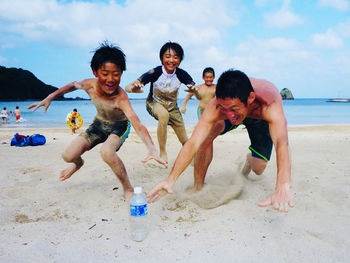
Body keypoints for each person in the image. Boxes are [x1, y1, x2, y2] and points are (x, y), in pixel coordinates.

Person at [28, 42, 167, 200]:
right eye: (105, 73)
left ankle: (128, 189)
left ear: (121, 73)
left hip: (119, 127)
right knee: (68, 156)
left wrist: (151, 149)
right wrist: (50, 97)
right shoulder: (89, 85)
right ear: (95, 71)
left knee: (106, 152)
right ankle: (78, 164)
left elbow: (137, 123)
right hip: (98, 125)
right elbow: (72, 85)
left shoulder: (121, 98)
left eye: (116, 74)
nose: (110, 79)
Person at [148, 69, 294, 213]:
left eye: (233, 108)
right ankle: (198, 186)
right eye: (224, 108)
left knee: (258, 169)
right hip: (237, 107)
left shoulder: (269, 104)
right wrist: (170, 180)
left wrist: (282, 185)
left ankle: (250, 160)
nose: (230, 115)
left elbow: (282, 143)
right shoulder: (218, 106)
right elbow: (193, 142)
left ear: (250, 98)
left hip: (259, 120)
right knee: (207, 135)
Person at [125, 41, 196, 161]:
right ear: (162, 58)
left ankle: (193, 160)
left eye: (175, 57)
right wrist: (133, 89)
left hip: (172, 107)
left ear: (180, 60)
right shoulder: (155, 72)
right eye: (167, 56)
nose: (171, 60)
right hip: (154, 103)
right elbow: (127, 87)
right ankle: (163, 152)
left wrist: (195, 90)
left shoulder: (181, 74)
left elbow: (194, 88)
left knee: (184, 139)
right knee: (164, 115)